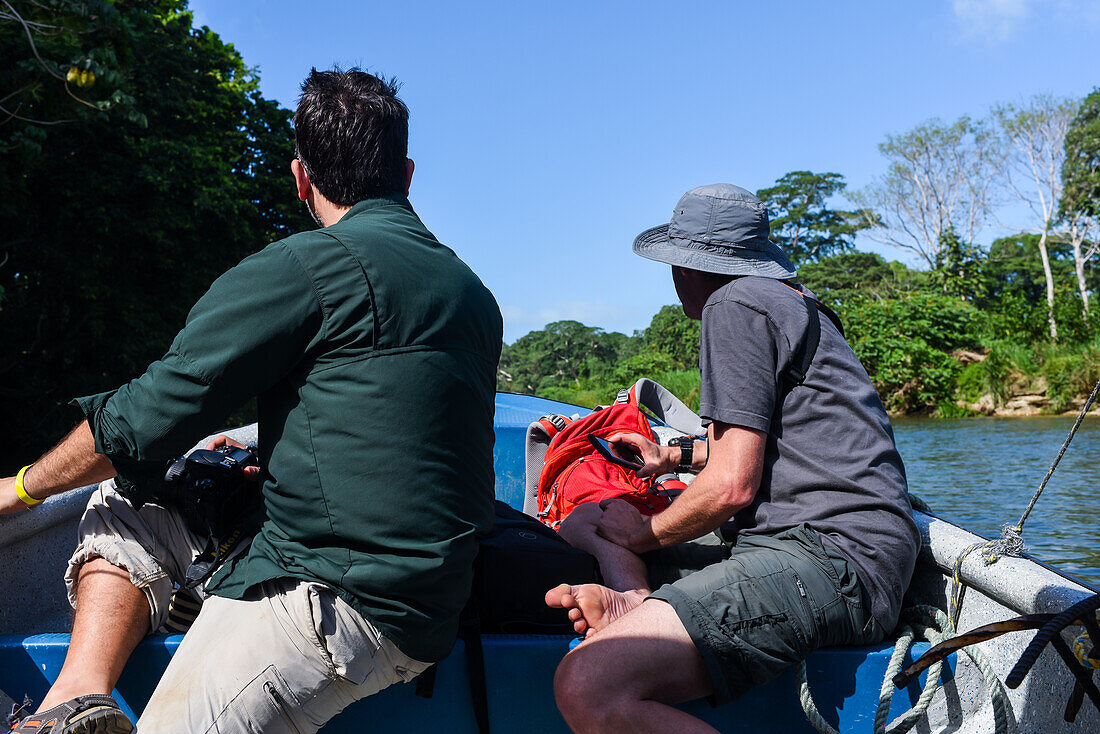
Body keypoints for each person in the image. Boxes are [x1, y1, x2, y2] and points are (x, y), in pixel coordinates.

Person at [1, 68, 503, 734]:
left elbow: (141, 421)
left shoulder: (307, 266)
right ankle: (76, 698)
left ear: (301, 177)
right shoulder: (473, 296)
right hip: (433, 603)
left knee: (123, 482)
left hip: (332, 600)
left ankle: (104, 671)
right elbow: (392, 438)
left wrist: (22, 490)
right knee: (138, 500)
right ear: (405, 173)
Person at [545, 183, 919, 733]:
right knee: (592, 518)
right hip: (836, 547)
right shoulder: (792, 303)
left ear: (690, 265)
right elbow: (771, 449)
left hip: (835, 557)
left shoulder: (735, 304)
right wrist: (668, 456)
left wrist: (641, 536)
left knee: (588, 684)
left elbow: (731, 487)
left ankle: (636, 606)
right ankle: (636, 600)